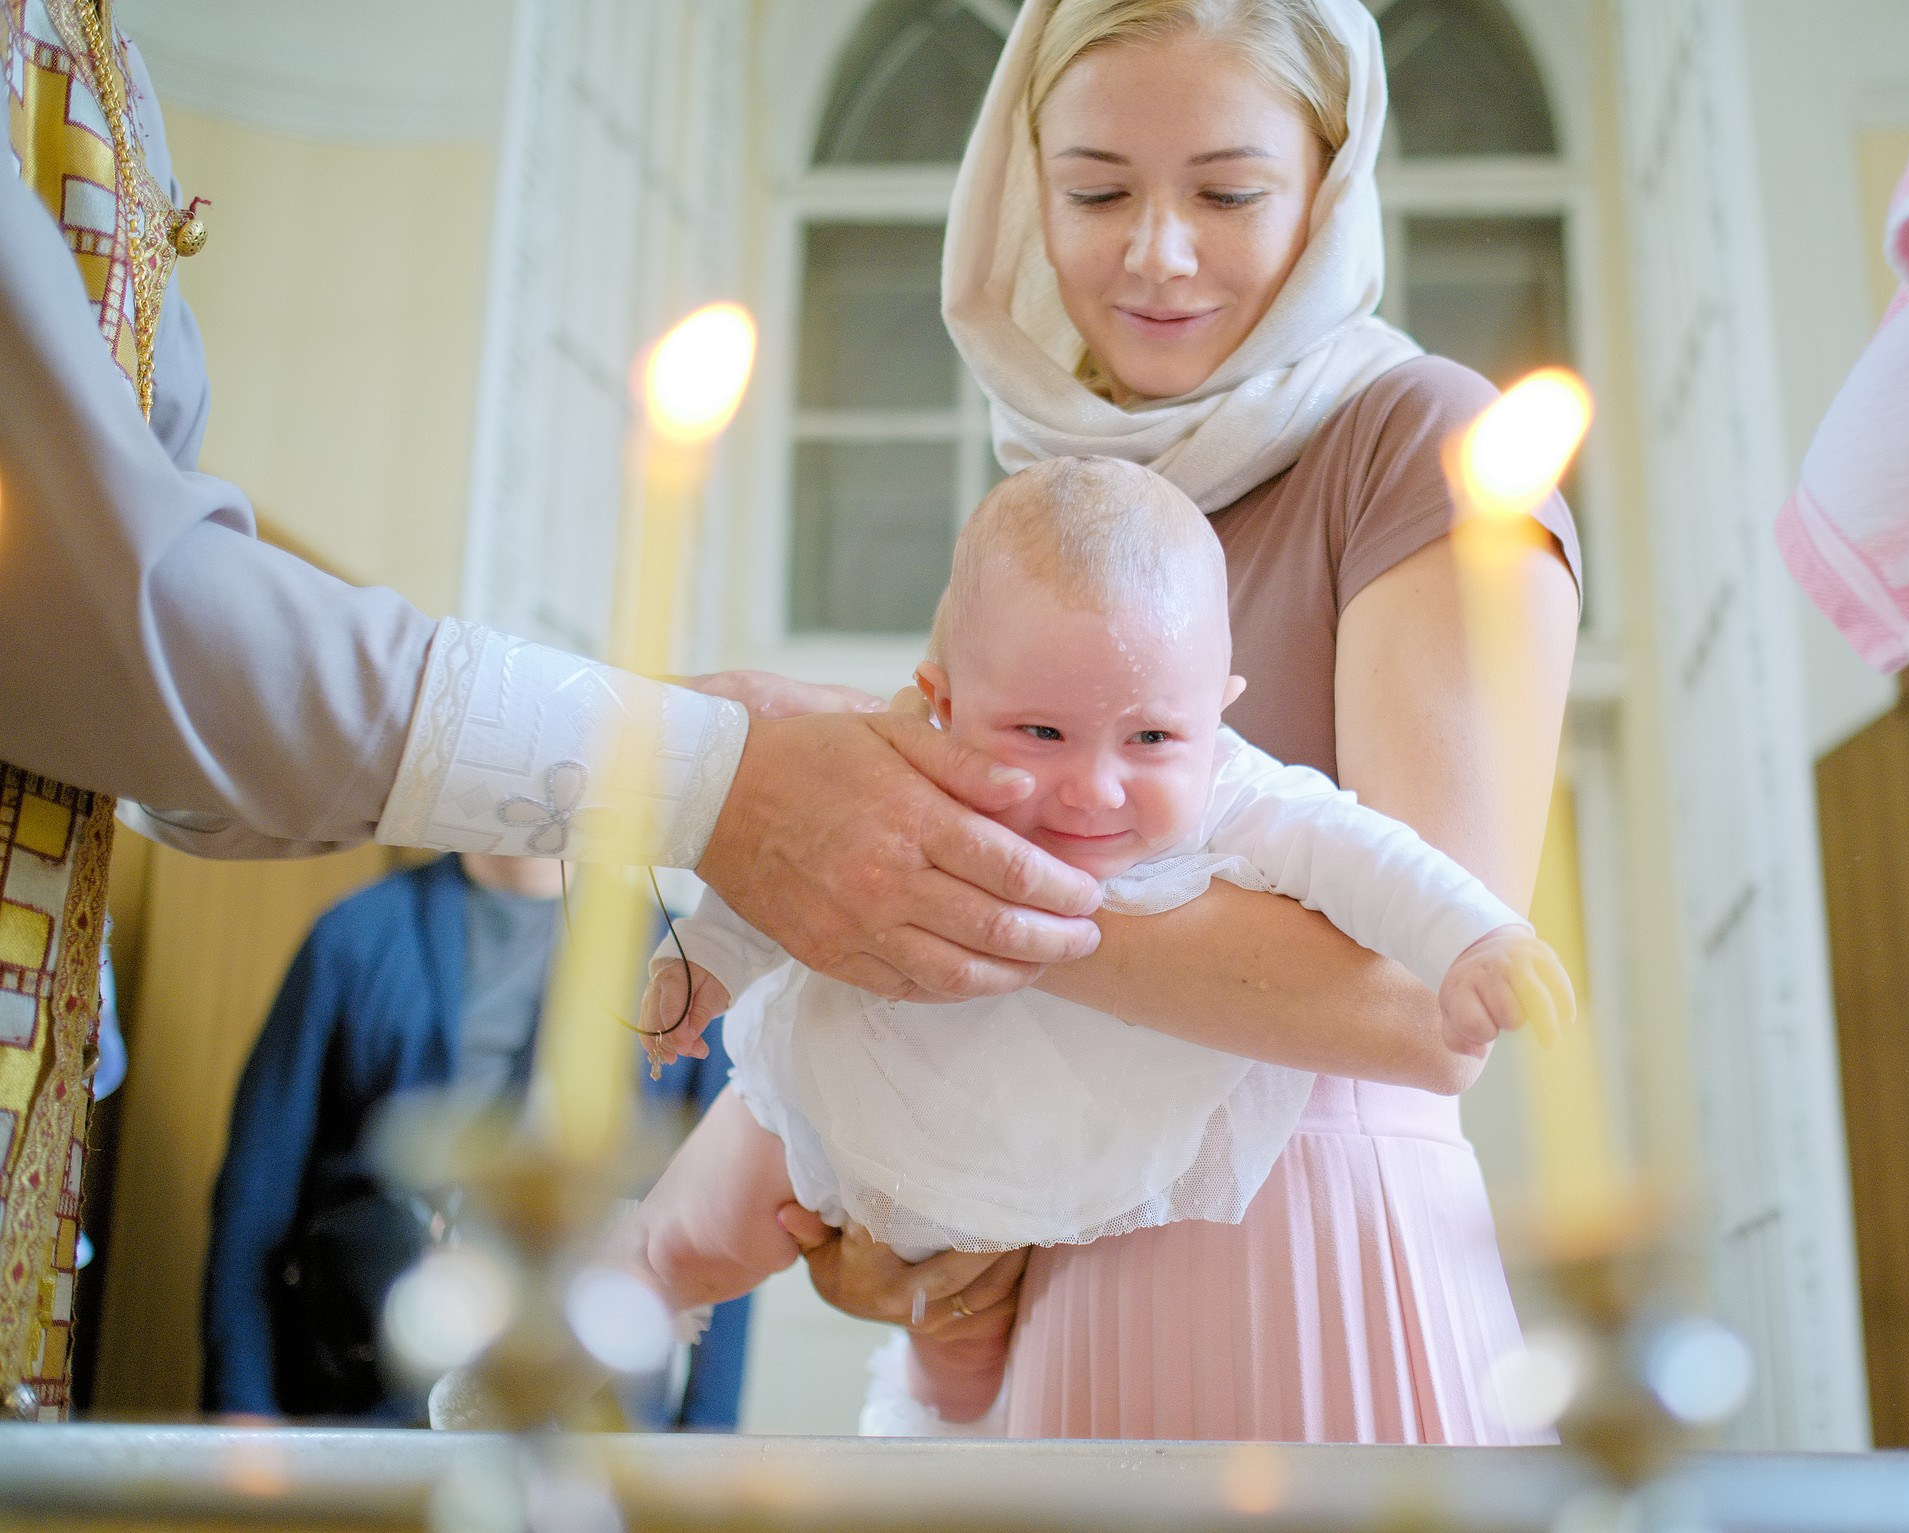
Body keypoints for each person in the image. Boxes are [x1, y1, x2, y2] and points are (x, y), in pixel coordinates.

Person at [0, 2, 1101, 1414]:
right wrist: (694, 768)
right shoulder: (367, 945)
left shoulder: (661, 956)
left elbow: (166, 745)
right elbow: (112, 612)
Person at [781, 0, 1584, 1442]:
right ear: (1021, 190)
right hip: (1062, 1269)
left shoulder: (1422, 444)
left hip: (1319, 1255)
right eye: (1097, 192)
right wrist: (881, 1213)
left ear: (1329, 186)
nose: (1157, 252)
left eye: (1227, 193)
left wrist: (938, 893)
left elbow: (1424, 1008)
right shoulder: (1046, 498)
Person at [629, 456, 1570, 1423]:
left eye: (1152, 739)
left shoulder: (1242, 795)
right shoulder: (917, 760)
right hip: (855, 1086)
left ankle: (931, 1421)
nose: (1095, 788)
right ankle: (582, 1335)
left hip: (1041, 1181)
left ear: (1219, 705)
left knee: (961, 1381)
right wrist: (707, 961)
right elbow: (795, 861)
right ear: (942, 697)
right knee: (690, 1236)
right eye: (1041, 733)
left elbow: (1371, 859)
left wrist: (1473, 936)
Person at [200, 853, 751, 1428]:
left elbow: (729, 1213)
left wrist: (709, 1433)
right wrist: (241, 1406)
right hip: (365, 1398)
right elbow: (255, 1196)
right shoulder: (354, 937)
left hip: (595, 1417)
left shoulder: (683, 968)